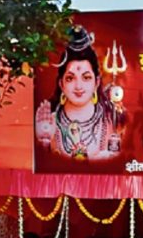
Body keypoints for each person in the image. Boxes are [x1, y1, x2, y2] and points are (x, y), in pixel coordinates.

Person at [35, 26, 122, 162]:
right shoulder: (48, 123)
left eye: (86, 77)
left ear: (96, 82)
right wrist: (44, 141)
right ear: (61, 84)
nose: (78, 86)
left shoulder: (113, 120)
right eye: (70, 78)